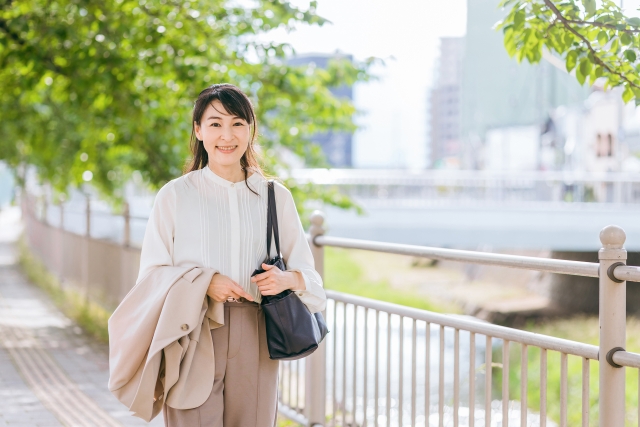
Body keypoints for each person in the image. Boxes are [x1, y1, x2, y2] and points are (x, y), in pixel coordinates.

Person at [137, 83, 327, 427]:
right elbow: (150, 276)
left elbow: (311, 279)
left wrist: (287, 278)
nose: (227, 135)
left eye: (237, 123)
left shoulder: (275, 196)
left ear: (250, 130)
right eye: (215, 124)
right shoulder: (175, 195)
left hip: (256, 332)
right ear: (198, 130)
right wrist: (205, 282)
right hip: (192, 330)